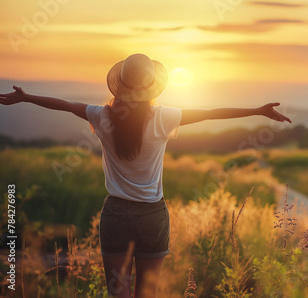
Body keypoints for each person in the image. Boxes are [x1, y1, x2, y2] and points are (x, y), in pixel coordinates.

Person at [0, 53, 291, 297]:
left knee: (119, 292)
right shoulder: (163, 117)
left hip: (114, 214)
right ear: (151, 87)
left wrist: (26, 97)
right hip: (152, 216)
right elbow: (211, 112)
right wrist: (257, 110)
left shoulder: (102, 116)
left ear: (120, 87)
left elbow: (63, 104)